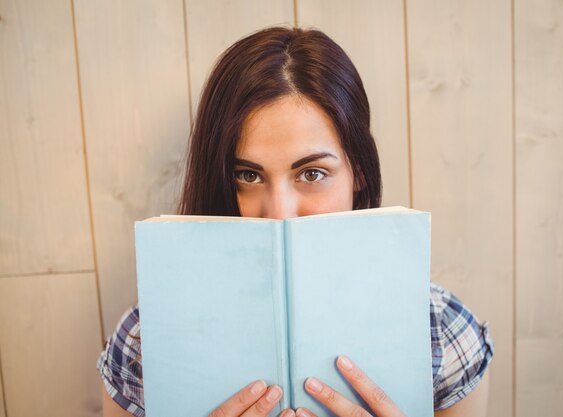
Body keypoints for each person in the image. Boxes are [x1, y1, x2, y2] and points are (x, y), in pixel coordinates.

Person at [97, 26, 493, 417]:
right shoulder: (144, 341)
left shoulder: (441, 329)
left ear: (360, 174)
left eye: (312, 173)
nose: (280, 213)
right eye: (248, 175)